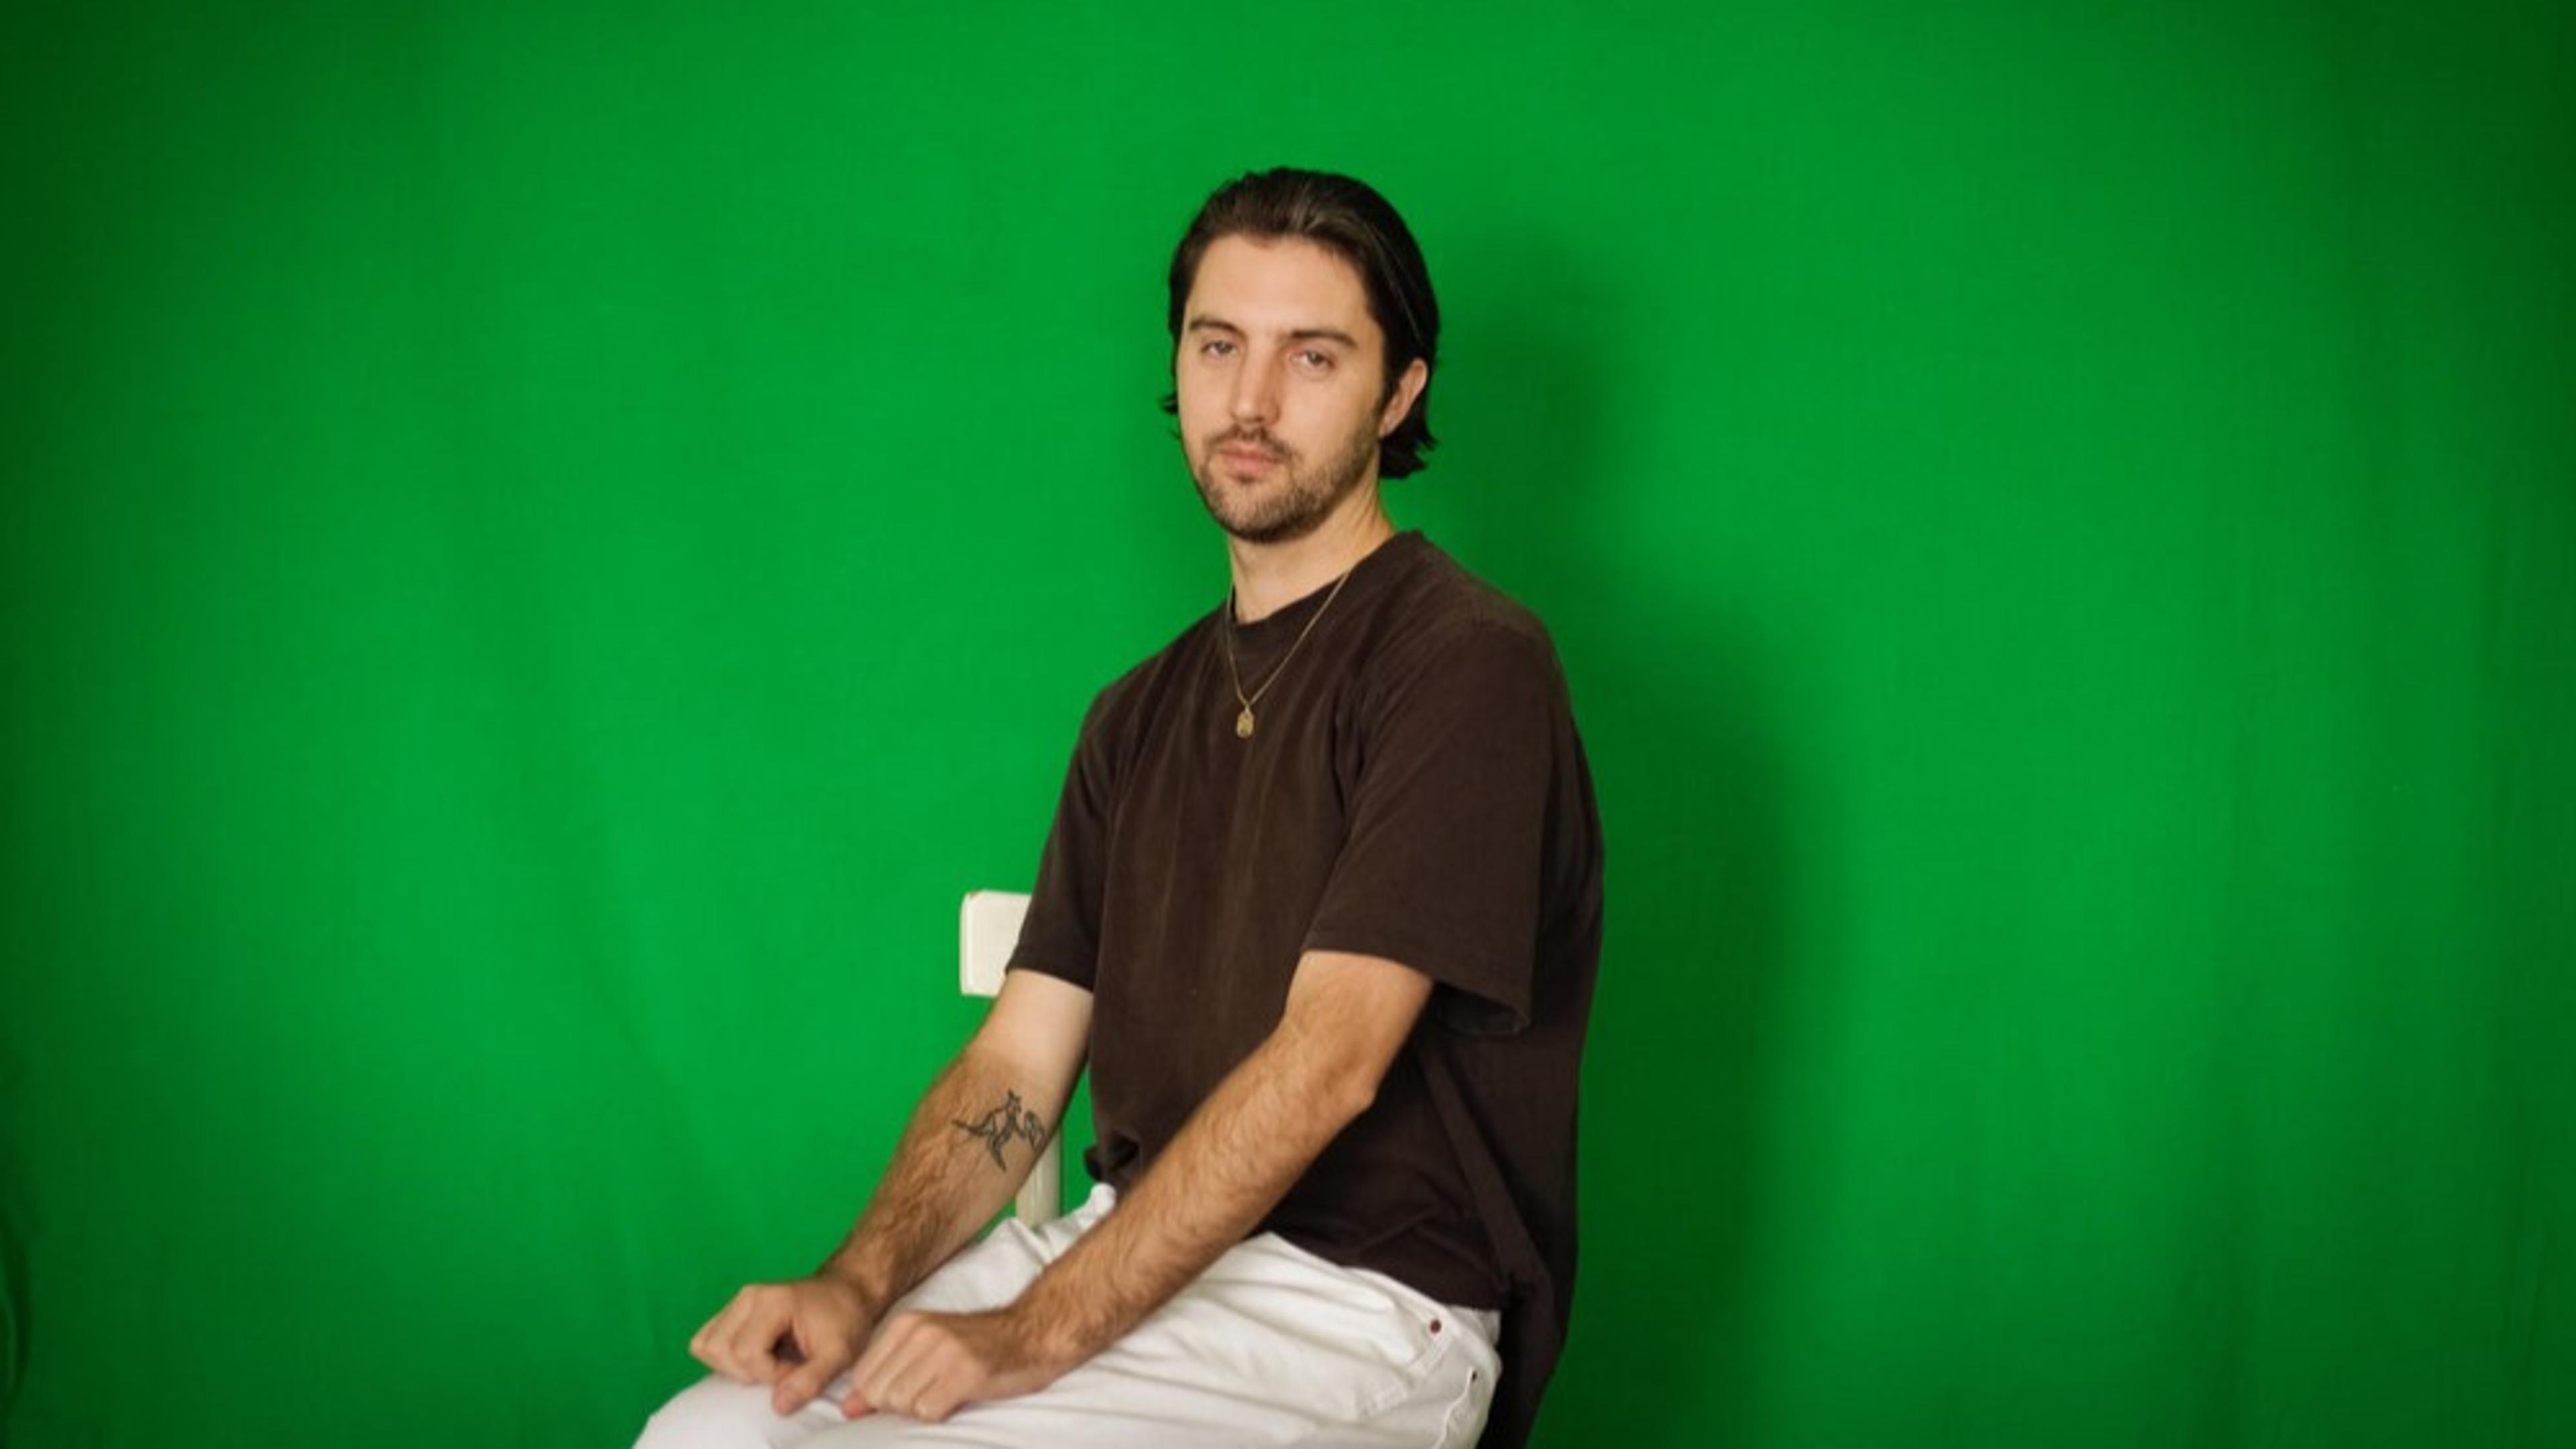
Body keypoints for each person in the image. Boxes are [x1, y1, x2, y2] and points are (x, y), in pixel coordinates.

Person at [637, 167, 1603, 1449]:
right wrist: (857, 1283)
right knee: (706, 1435)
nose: (1250, 401)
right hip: (1126, 1247)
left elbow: (1330, 1062)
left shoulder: (1467, 661)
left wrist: (1035, 1333)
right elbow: (1016, 1067)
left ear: (1400, 393)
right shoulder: (1135, 715)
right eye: (1219, 345)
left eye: (1313, 357)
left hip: (1360, 1309)